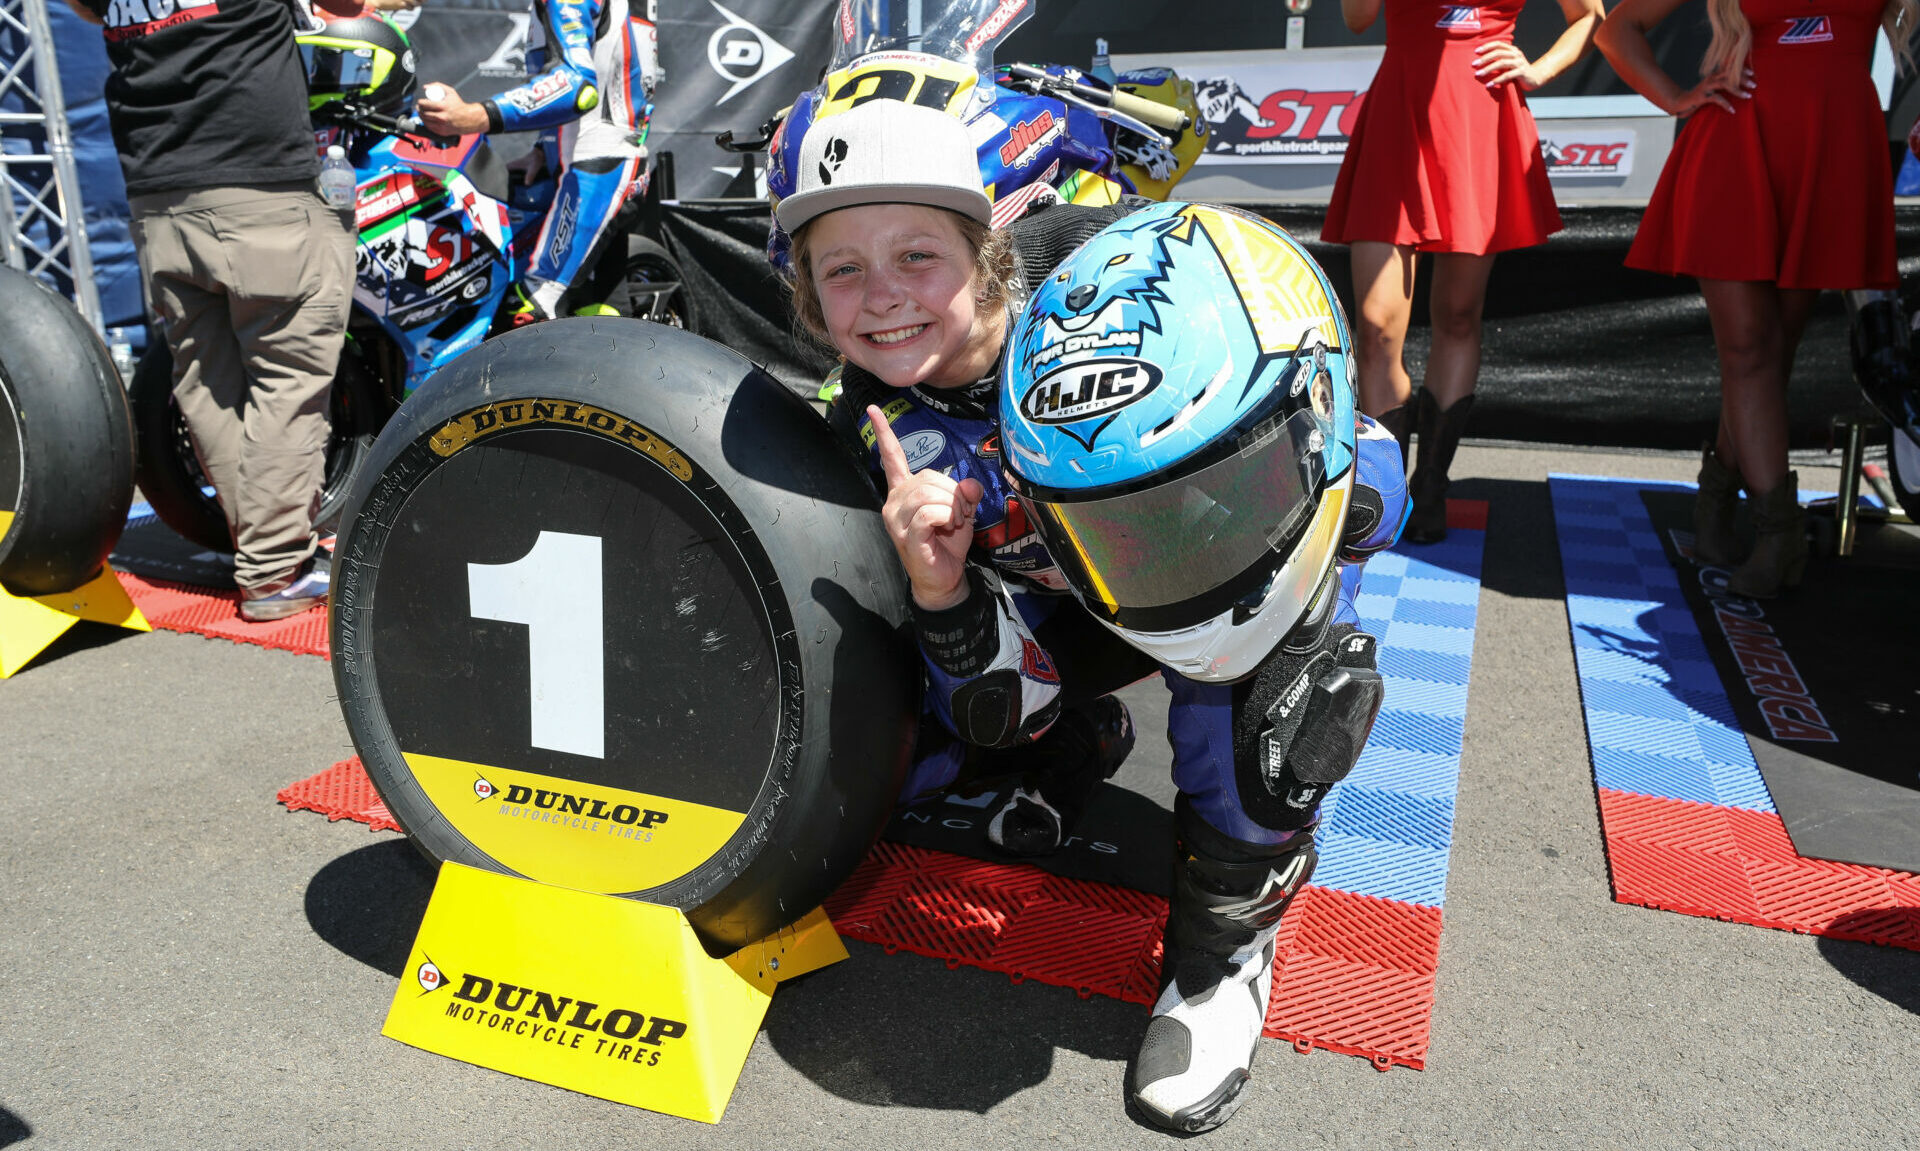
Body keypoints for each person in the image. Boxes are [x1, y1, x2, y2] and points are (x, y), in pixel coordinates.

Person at [777, 98, 1409, 1133]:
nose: (881, 296)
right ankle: (1083, 742)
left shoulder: (1123, 264)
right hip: (1048, 612)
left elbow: (1366, 452)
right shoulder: (859, 422)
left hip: (1202, 573)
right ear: (806, 293)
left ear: (985, 251)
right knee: (886, 755)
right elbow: (995, 697)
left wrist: (1297, 498)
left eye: (916, 254)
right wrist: (937, 587)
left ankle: (1220, 965)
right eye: (841, 268)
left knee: (1257, 674)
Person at [1597, 0, 1911, 596]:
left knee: (1772, 353)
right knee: (1747, 349)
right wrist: (1676, 97)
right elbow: (1616, 31)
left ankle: (1715, 502)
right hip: (1738, 145)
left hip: (1830, 152)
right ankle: (1779, 535)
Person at [66, 0, 358, 621]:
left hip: (159, 197)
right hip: (259, 187)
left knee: (208, 388)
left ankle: (268, 556)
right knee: (288, 383)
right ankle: (276, 570)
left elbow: (86, 11)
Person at [1323, 0, 1603, 541]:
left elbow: (1590, 15)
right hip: (1399, 118)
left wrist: (1539, 68)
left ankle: (1430, 489)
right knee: (1377, 328)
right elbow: (1358, 16)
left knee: (1457, 314)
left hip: (1481, 116)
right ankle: (1383, 496)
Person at [414, 0, 658, 324]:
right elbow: (612, 70)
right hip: (607, 161)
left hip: (596, 171)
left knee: (530, 312)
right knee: (605, 315)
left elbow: (577, 87)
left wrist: (474, 116)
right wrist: (545, 149)